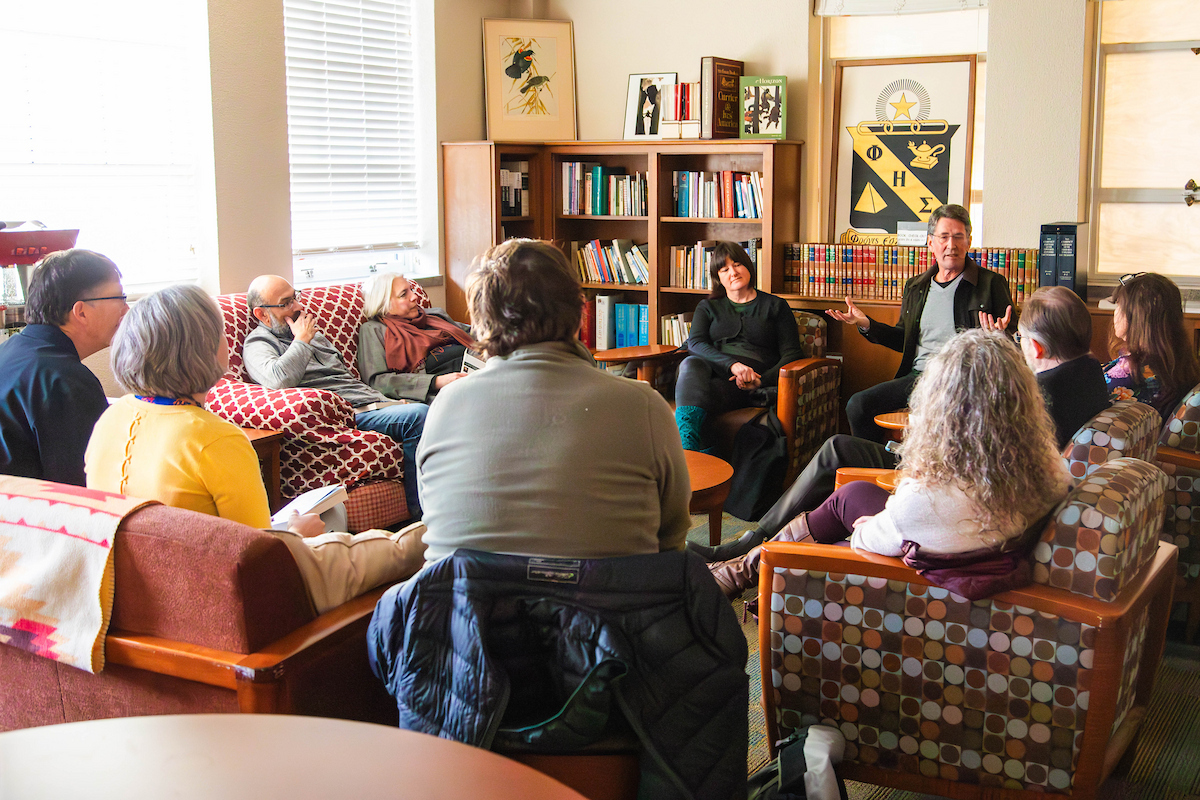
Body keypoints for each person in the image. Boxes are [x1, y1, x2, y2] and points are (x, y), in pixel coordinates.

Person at [694, 285, 1110, 563]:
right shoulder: (1091, 378)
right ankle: (755, 544)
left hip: (955, 488)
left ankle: (753, 543)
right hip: (974, 482)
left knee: (838, 450)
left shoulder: (1040, 396)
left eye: (1019, 340)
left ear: (1036, 346)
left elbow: (982, 453)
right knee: (844, 439)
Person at [84, 285, 424, 614]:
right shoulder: (217, 439)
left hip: (139, 595)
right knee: (407, 550)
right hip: (218, 602)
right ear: (202, 350)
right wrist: (296, 534)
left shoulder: (111, 417)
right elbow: (258, 561)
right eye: (219, 333)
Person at [708, 328, 1073, 599]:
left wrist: (872, 525)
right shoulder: (1050, 469)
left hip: (910, 586)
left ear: (942, 408)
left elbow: (869, 539)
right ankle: (738, 570)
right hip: (973, 551)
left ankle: (740, 571)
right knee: (851, 494)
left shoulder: (926, 499)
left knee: (843, 514)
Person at [416, 239, 691, 563]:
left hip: (464, 595)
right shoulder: (642, 404)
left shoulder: (445, 406)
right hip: (608, 594)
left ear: (480, 322)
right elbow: (671, 539)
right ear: (581, 312)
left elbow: (433, 512)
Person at [828, 204, 1016, 443]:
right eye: (944, 237)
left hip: (964, 379)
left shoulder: (991, 284)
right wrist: (866, 323)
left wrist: (998, 337)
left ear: (968, 242)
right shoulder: (916, 287)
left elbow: (1014, 344)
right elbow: (903, 338)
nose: (951, 245)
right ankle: (879, 462)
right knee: (858, 405)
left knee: (943, 418)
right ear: (930, 243)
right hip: (918, 377)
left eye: (958, 237)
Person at [243, 274, 428, 518]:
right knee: (418, 416)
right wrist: (302, 341)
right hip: (346, 415)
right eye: (286, 303)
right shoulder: (259, 343)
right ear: (262, 314)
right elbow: (278, 380)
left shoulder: (313, 334)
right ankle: (423, 516)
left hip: (371, 402)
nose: (298, 306)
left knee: (443, 411)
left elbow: (347, 379)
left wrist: (387, 402)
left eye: (295, 297)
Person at [0, 249, 128, 485]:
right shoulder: (65, 381)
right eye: (120, 299)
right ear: (81, 312)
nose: (126, 310)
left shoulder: (9, 351)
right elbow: (90, 485)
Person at [674, 240, 803, 452]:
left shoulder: (775, 306)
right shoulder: (708, 307)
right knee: (690, 364)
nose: (733, 273)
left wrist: (761, 380)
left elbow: (792, 354)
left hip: (747, 382)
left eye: (737, 265)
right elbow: (695, 343)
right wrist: (732, 365)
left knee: (701, 394)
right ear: (718, 277)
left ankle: (692, 455)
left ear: (748, 267)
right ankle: (689, 451)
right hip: (711, 371)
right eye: (724, 269)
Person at [357, 272, 474, 403]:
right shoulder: (374, 330)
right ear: (383, 304)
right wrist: (436, 381)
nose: (414, 296)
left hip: (477, 371)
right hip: (445, 393)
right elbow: (379, 382)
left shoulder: (434, 315)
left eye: (411, 290)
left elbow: (475, 334)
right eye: (403, 294)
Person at [1104, 272, 1200, 418]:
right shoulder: (1178, 362)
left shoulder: (1129, 374)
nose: (1115, 313)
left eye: (1119, 305)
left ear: (1138, 317)